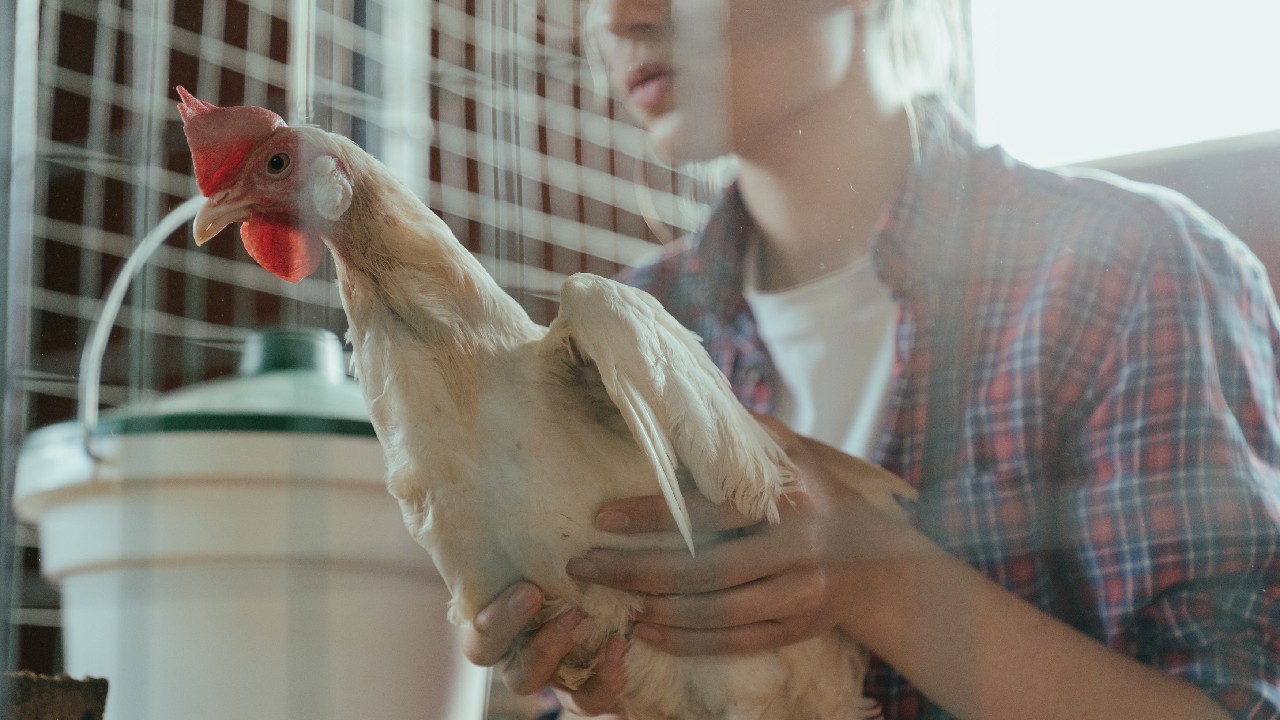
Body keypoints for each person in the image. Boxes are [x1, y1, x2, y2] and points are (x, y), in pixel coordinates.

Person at [463, 0, 1280, 717]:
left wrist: (877, 578)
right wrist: (598, 683)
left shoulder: (1136, 269)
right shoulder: (627, 326)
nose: (617, 15)